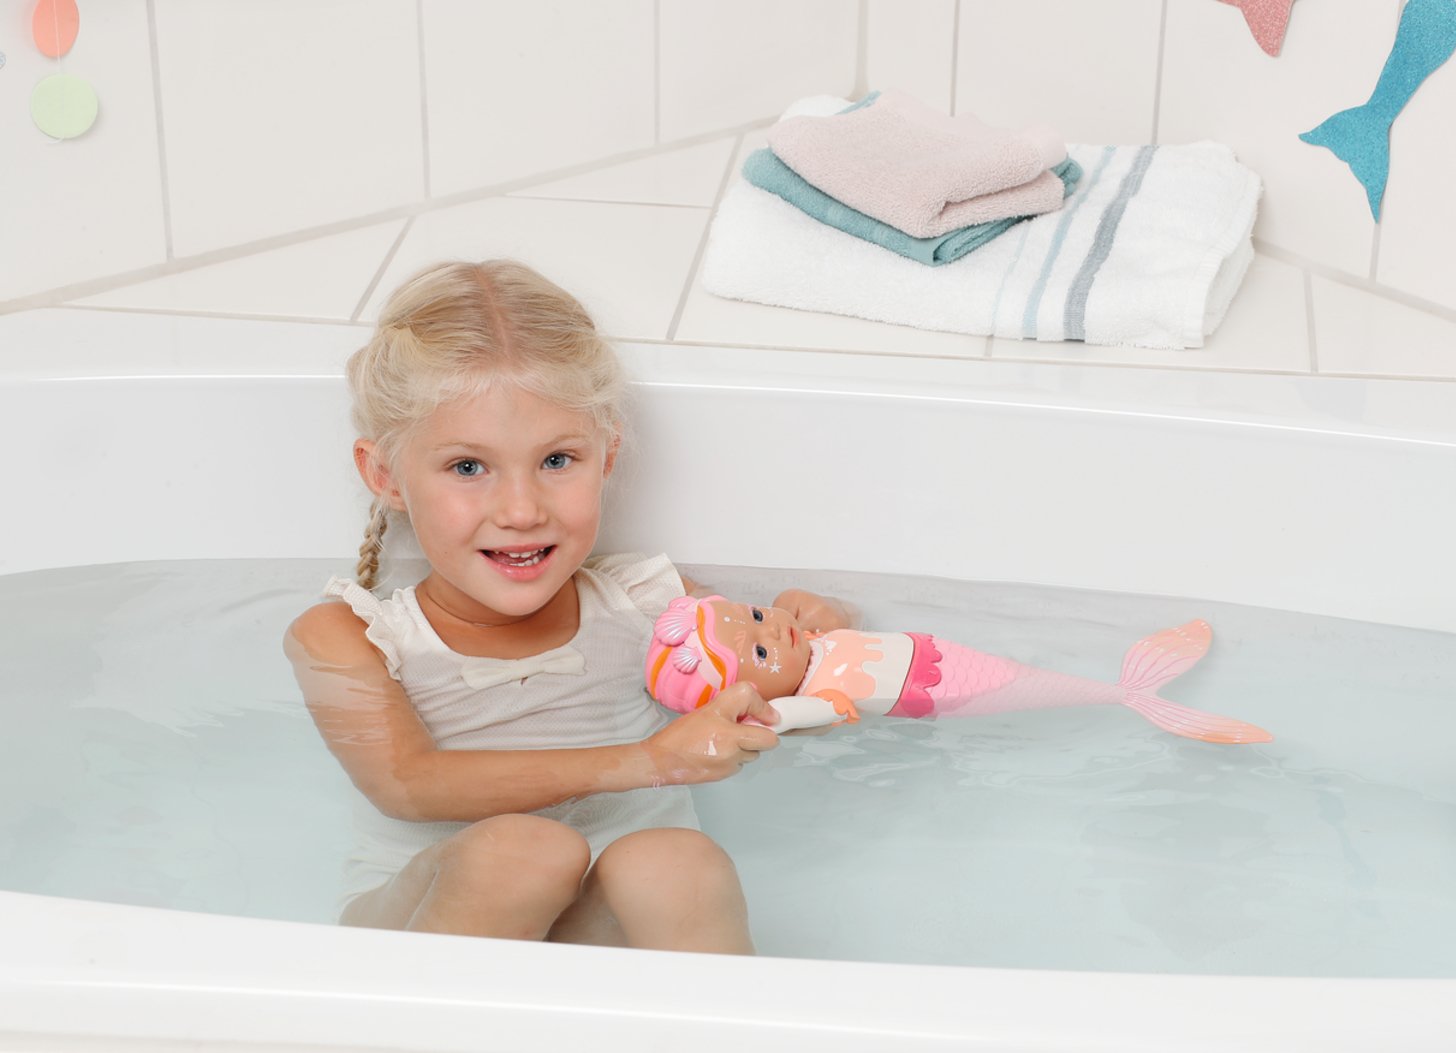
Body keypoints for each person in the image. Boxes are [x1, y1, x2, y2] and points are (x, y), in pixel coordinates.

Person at [283, 260, 852, 954]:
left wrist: (818, 636)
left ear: (606, 455)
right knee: (521, 854)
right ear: (386, 476)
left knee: (675, 860)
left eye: (557, 460)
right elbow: (406, 783)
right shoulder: (352, 635)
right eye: (468, 467)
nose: (522, 510)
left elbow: (784, 684)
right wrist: (650, 761)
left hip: (606, 931)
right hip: (424, 929)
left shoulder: (651, 604)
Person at [645, 595, 1272, 744]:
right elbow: (807, 714)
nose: (770, 630)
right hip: (948, 691)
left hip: (946, 661)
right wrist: (772, 718)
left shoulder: (809, 636)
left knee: (1028, 676)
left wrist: (789, 616)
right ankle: (1136, 695)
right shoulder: (817, 696)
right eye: (760, 653)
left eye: (755, 615)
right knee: (1022, 685)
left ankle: (1130, 690)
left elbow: (814, 611)